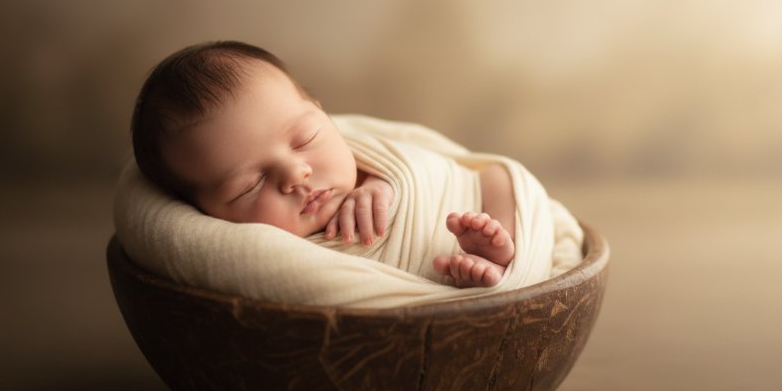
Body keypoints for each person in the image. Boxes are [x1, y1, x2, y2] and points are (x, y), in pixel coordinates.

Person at [132, 41, 517, 288]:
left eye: (306, 139)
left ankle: (501, 253)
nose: (295, 175)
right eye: (248, 185)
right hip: (417, 306)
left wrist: (385, 184)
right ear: (204, 213)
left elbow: (428, 169)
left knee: (500, 179)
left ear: (322, 114)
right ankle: (481, 271)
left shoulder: (370, 162)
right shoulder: (260, 264)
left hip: (459, 212)